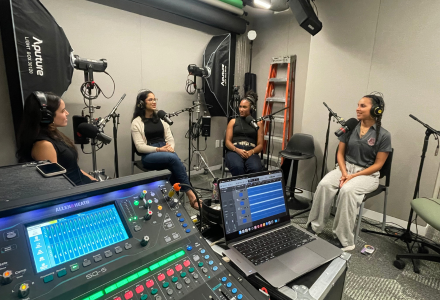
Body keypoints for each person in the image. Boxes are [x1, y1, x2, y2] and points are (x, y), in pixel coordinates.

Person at [307, 93, 392, 251]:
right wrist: (345, 173)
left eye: (362, 106)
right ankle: (315, 226)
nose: (357, 109)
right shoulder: (350, 126)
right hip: (344, 168)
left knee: (347, 190)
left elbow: (379, 165)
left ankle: (344, 240)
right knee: (325, 184)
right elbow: (340, 154)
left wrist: (353, 176)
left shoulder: (384, 135)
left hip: (367, 174)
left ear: (376, 110)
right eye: (358, 105)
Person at [131, 89, 200, 209]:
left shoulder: (161, 119)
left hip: (165, 151)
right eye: (150, 99)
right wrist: (159, 150)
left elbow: (170, 138)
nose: (154, 102)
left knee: (174, 167)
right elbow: (140, 147)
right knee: (175, 161)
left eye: (155, 99)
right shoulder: (136, 122)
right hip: (149, 155)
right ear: (142, 103)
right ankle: (191, 194)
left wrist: (170, 148)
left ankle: (173, 202)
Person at [16, 91, 97, 185]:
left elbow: (75, 169)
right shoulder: (44, 145)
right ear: (47, 116)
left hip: (84, 186)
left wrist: (97, 183)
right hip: (76, 194)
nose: (67, 113)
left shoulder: (55, 135)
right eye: (62, 111)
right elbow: (55, 183)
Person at [224, 90, 264, 176]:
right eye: (240, 106)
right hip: (234, 150)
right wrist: (237, 150)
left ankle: (250, 189)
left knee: (256, 168)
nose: (241, 109)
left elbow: (260, 145)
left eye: (244, 107)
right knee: (237, 167)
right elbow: (227, 142)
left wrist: (251, 152)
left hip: (251, 151)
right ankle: (240, 188)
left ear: (251, 108)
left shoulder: (258, 124)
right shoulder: (233, 121)